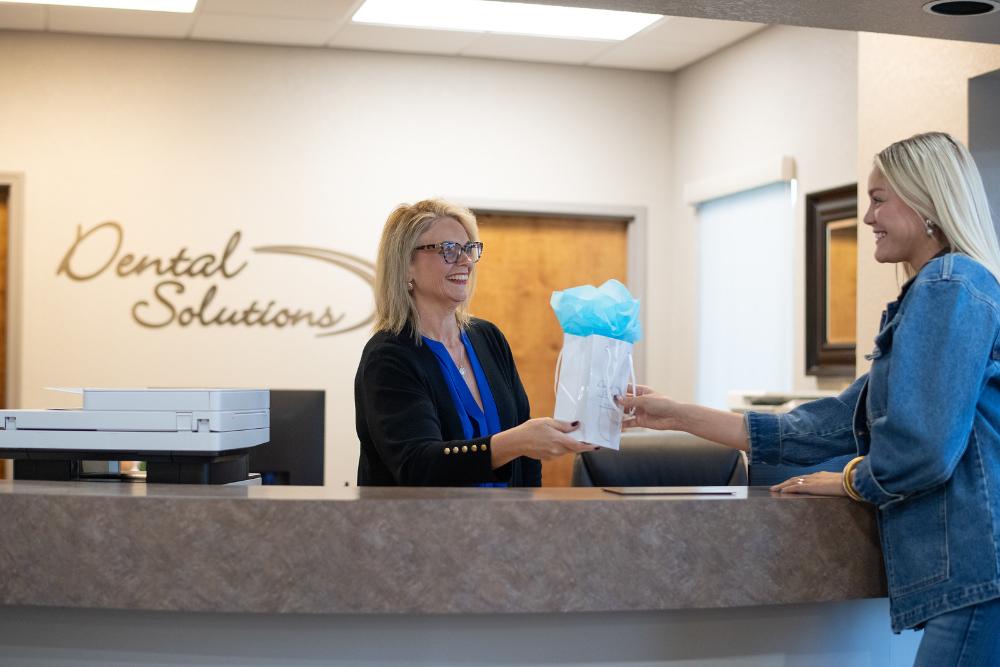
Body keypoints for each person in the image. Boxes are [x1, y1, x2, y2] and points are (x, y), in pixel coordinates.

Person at [619, 132, 1000, 664]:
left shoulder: (949, 285)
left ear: (925, 202)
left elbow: (924, 449)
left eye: (878, 199)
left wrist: (850, 481)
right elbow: (837, 422)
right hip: (972, 577)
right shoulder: (934, 292)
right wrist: (678, 414)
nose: (867, 217)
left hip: (978, 573)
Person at [355, 198, 595, 486]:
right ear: (406, 266)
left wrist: (530, 519)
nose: (466, 261)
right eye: (448, 250)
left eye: (469, 249)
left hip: (505, 525)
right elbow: (418, 464)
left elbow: (527, 458)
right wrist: (513, 443)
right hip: (423, 529)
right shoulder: (389, 357)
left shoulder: (488, 338)